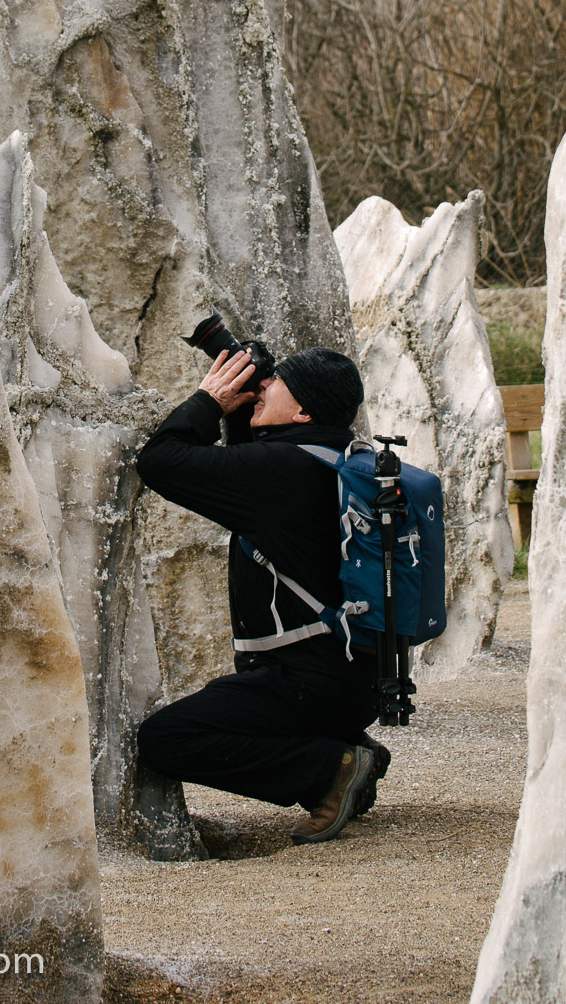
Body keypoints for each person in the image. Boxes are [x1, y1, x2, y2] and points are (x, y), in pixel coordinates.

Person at [135, 343, 390, 844]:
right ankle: (345, 745)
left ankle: (329, 771)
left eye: (276, 384)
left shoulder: (281, 471)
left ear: (302, 411)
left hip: (305, 685)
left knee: (165, 739)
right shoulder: (337, 458)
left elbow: (160, 462)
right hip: (353, 682)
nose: (264, 387)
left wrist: (209, 400)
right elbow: (241, 471)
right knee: (229, 703)